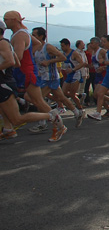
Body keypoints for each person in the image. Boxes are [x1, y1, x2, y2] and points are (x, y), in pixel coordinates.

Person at [2, 11, 66, 141]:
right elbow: (37, 44)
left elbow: (17, 57)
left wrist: (21, 58)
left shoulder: (19, 35)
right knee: (22, 99)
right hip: (26, 69)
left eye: (6, 19)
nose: (5, 21)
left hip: (25, 71)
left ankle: (59, 127)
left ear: (14, 20)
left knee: (38, 101)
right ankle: (8, 128)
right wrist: (29, 55)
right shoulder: (23, 33)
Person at [31, 28, 84, 128]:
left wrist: (49, 62)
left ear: (41, 37)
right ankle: (77, 112)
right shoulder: (35, 48)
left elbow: (62, 58)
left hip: (50, 77)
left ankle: (42, 122)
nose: (32, 37)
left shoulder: (48, 47)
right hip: (43, 77)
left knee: (39, 99)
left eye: (34, 35)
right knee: (61, 97)